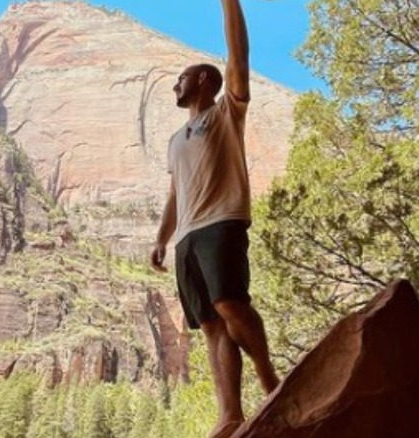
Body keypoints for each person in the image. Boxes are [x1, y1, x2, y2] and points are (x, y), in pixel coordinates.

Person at [149, 0, 280, 436]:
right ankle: (230, 415)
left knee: (230, 304)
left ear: (204, 80)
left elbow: (238, 54)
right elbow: (175, 192)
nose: (175, 88)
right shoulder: (175, 140)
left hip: (222, 221)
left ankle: (270, 381)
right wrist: (162, 238)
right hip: (186, 236)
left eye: (180, 80)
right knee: (209, 324)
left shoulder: (226, 112)